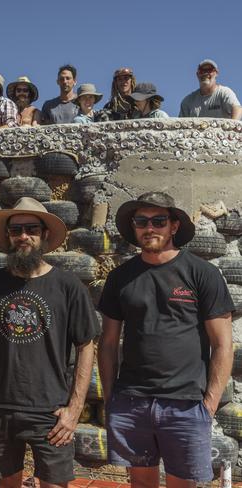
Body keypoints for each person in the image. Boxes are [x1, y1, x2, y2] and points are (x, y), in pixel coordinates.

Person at [98, 192, 234, 486]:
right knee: (141, 483)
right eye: (142, 221)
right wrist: (111, 398)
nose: (150, 228)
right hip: (132, 401)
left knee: (182, 483)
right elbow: (107, 343)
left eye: (159, 221)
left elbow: (223, 344)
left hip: (185, 404)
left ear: (173, 226)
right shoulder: (120, 278)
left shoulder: (203, 274)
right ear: (134, 227)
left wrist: (208, 405)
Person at [0, 197, 98, 486]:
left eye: (31, 229)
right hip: (0, 408)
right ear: (8, 236)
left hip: (51, 411)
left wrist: (74, 410)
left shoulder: (69, 287)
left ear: (45, 235)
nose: (23, 236)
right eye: (16, 230)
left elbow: (86, 347)